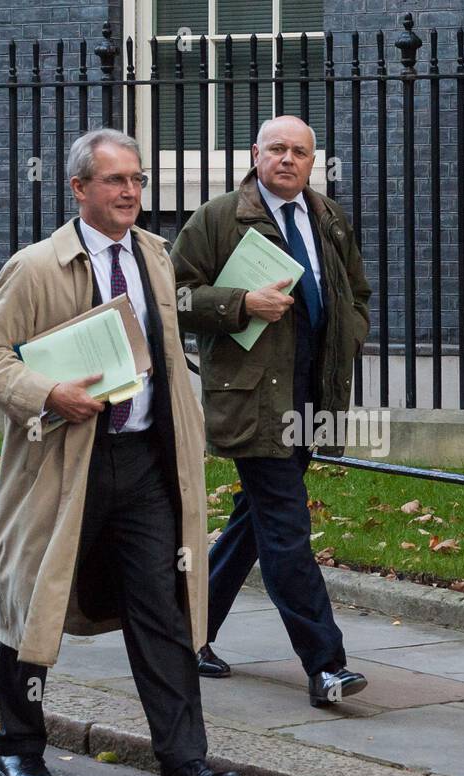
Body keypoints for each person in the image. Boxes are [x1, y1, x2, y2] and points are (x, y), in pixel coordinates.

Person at [0, 128, 242, 776]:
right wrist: (48, 394)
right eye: (115, 180)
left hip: (144, 464)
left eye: (137, 180)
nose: (130, 192)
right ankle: (19, 749)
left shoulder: (156, 254)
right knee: (35, 605)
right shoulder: (35, 267)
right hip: (66, 466)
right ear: (79, 189)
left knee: (163, 612)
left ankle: (184, 766)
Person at [171, 115, 372, 708]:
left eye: (301, 152)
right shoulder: (217, 219)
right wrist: (240, 303)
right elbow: (175, 297)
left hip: (315, 394)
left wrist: (349, 337)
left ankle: (184, 633)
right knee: (287, 530)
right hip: (255, 399)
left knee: (254, 521)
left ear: (314, 162)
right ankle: (326, 665)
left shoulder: (328, 217)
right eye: (277, 149)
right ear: (256, 154)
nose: (288, 159)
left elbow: (357, 294)